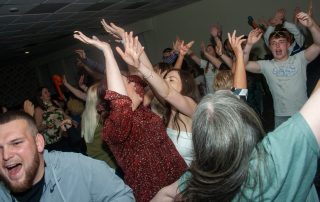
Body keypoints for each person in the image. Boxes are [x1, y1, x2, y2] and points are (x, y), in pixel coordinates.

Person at [151, 30, 320, 202]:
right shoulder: (276, 155)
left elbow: (165, 194)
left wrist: (239, 53)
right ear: (245, 126)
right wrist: (238, 52)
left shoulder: (202, 179)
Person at [73, 30, 187, 202]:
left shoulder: (141, 109)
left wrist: (127, 39)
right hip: (155, 193)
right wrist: (107, 51)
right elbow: (121, 103)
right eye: (128, 82)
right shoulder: (114, 127)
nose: (135, 84)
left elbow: (145, 74)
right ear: (114, 94)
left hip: (181, 180)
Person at [0, 111, 134, 202]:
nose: (5, 155)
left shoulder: (76, 167)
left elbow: (122, 196)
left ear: (38, 143)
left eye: (16, 143)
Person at [244, 11, 320, 128]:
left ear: (288, 45)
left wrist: (312, 25)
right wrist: (249, 45)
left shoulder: (299, 59)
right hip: (281, 118)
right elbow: (243, 65)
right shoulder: (266, 65)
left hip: (304, 114)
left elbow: (318, 45)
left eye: (281, 42)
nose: (277, 46)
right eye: (273, 43)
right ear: (270, 48)